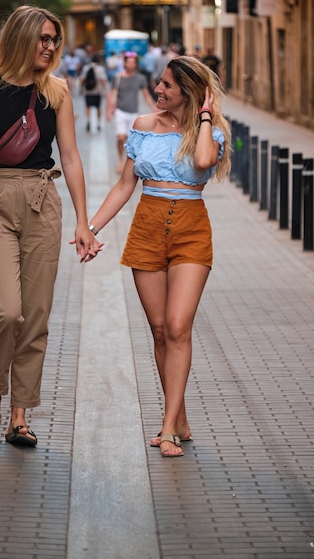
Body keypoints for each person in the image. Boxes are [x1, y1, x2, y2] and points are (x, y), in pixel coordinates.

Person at [0, 5, 102, 447]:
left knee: (34, 315)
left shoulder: (57, 91)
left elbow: (70, 157)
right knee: (5, 311)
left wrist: (83, 222)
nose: (51, 47)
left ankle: (19, 415)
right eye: (44, 39)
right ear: (20, 38)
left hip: (41, 200)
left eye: (55, 40)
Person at [87, 56, 231, 457]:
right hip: (148, 229)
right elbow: (123, 186)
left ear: (188, 91)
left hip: (191, 231)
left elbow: (202, 162)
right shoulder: (142, 127)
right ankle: (179, 416)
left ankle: (167, 428)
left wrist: (203, 116)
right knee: (159, 330)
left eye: (168, 85)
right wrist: (90, 228)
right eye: (159, 83)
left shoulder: (211, 132)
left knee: (178, 325)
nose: (159, 90)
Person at [106, 51, 156, 174]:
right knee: (121, 137)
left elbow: (147, 95)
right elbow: (111, 94)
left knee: (131, 140)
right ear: (124, 63)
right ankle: (119, 160)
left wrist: (154, 108)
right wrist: (108, 111)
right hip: (120, 111)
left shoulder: (140, 78)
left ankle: (129, 163)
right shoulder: (118, 77)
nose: (131, 64)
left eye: (133, 62)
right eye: (129, 62)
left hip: (133, 113)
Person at [80, 53, 107, 132]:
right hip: (97, 92)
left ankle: (88, 121)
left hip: (88, 91)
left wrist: (81, 88)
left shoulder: (86, 68)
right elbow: (103, 80)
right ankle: (98, 123)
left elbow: (83, 79)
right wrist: (105, 90)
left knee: (88, 106)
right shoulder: (100, 69)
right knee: (98, 107)